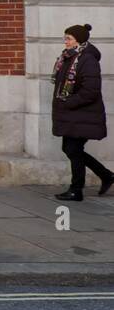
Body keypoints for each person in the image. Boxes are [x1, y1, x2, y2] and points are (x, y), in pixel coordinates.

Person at [52, 24, 111, 201]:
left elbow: (91, 91)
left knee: (72, 148)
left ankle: (76, 189)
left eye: (69, 38)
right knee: (71, 149)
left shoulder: (87, 60)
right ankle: (106, 176)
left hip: (82, 113)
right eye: (65, 38)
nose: (66, 42)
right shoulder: (69, 57)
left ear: (80, 40)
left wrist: (68, 103)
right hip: (74, 115)